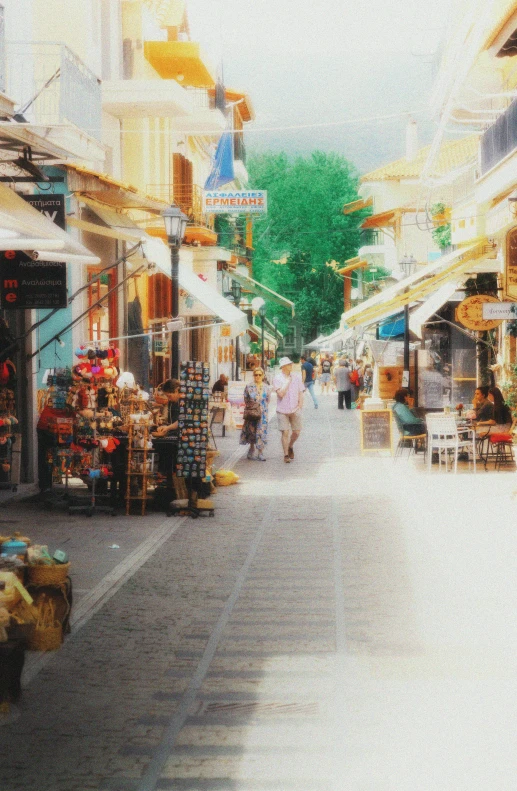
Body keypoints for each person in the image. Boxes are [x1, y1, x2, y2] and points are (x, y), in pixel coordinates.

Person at [273, 356, 305, 463]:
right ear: (283, 367)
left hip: (295, 408)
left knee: (296, 432)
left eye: (291, 364)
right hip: (282, 410)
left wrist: (300, 404)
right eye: (288, 364)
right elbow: (281, 394)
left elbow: (301, 391)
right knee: (285, 432)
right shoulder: (277, 378)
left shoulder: (297, 377)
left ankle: (291, 445)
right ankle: (286, 454)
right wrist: (287, 382)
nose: (291, 365)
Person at [240, 367, 270, 461]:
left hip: (263, 414)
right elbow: (246, 399)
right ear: (253, 376)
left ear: (263, 376)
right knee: (252, 431)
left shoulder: (266, 387)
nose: (257, 376)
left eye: (259, 375)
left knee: (261, 432)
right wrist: (252, 407)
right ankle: (251, 449)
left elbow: (268, 400)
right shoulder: (249, 386)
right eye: (255, 374)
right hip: (252, 412)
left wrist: (262, 408)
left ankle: (260, 452)